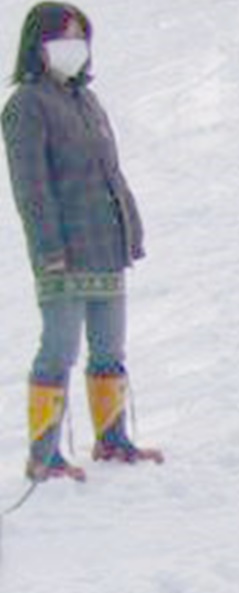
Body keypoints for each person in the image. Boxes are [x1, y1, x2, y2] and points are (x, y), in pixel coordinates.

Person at [2, 2, 155, 482]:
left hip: (105, 245)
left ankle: (112, 439)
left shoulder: (87, 101)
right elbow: (32, 189)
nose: (75, 47)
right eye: (64, 37)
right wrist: (49, 250)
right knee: (59, 349)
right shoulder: (26, 105)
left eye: (80, 37)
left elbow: (112, 173)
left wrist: (130, 227)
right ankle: (44, 455)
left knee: (110, 347)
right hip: (62, 253)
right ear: (38, 44)